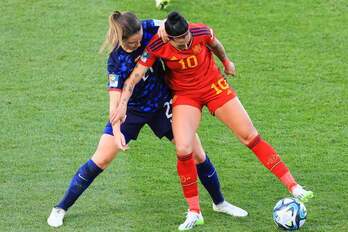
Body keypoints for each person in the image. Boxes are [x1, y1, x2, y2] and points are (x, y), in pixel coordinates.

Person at [114, 11, 314, 230]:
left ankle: (294, 187)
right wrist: (123, 104)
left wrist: (227, 62)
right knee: (183, 149)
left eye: (187, 39)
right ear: (169, 38)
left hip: (214, 87)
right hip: (185, 96)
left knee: (250, 136)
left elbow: (216, 44)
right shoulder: (157, 45)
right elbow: (133, 78)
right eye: (180, 43)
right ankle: (194, 212)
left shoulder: (200, 31)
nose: (185, 44)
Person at [47, 11, 248, 229]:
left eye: (140, 40)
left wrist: (164, 29)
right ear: (122, 40)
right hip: (131, 110)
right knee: (101, 159)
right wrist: (116, 132)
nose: (138, 44)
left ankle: (220, 203)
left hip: (162, 104)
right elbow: (115, 103)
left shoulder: (147, 27)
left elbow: (177, 26)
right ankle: (60, 208)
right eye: (132, 44)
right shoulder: (116, 61)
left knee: (197, 154)